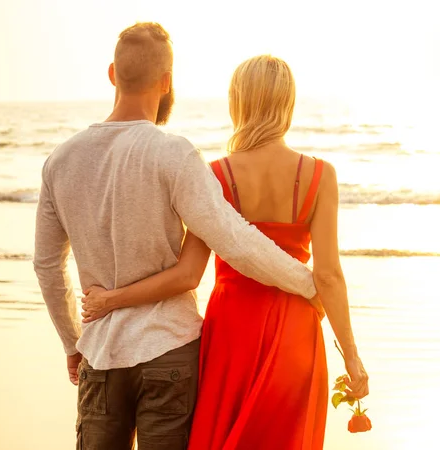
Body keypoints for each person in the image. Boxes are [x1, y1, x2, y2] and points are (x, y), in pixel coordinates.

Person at [33, 24, 321, 450]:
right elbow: (233, 239)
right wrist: (309, 284)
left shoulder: (61, 161)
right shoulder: (174, 153)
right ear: (166, 81)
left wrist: (72, 342)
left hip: (100, 354)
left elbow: (47, 266)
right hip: (169, 351)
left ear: (112, 73)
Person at [81, 54, 369, 449]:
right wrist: (351, 356)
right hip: (295, 331)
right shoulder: (320, 176)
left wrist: (114, 299)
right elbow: (329, 276)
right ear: (287, 104)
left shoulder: (215, 174)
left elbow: (189, 272)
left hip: (231, 330)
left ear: (238, 102)